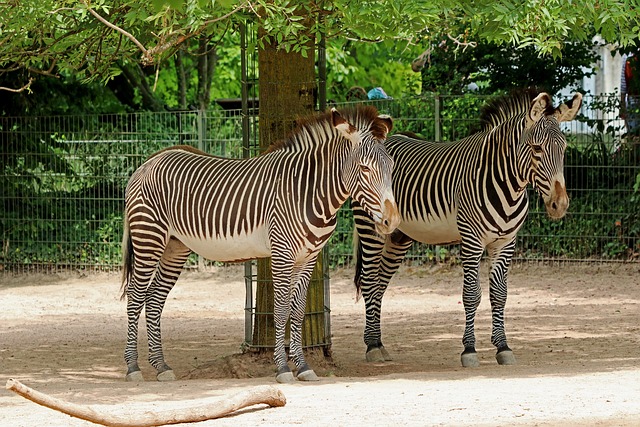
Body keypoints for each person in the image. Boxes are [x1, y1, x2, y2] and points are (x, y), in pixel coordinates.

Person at [620, 51, 640, 138]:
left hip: (632, 99)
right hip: (633, 99)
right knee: (633, 135)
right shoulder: (627, 55)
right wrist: (622, 105)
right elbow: (623, 83)